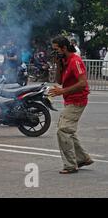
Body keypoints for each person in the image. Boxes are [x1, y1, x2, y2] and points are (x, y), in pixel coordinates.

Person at [49, 36, 93, 174]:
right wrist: (58, 64)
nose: (55, 52)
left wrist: (62, 91)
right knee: (68, 130)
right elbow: (59, 80)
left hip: (78, 100)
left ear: (64, 48)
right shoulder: (65, 61)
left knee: (63, 130)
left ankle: (70, 165)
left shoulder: (75, 61)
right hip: (69, 100)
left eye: (56, 49)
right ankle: (82, 158)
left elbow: (82, 83)